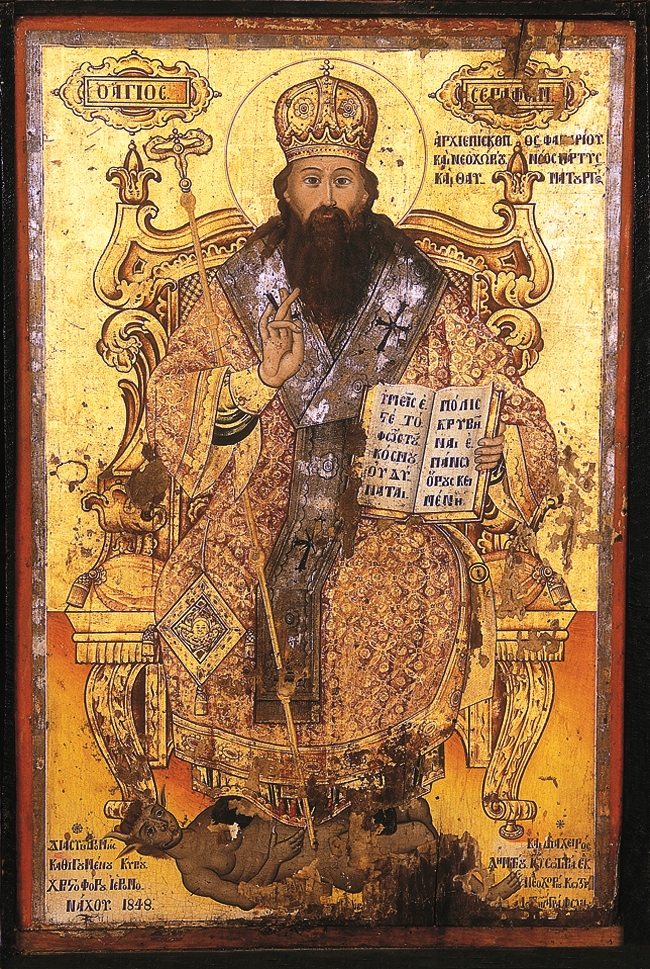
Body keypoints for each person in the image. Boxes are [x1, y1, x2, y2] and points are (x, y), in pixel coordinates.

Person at [146, 66, 556, 819]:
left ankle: (378, 795)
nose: (328, 198)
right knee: (208, 583)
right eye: (312, 180)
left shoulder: (417, 290)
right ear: (286, 192)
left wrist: (496, 450)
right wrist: (257, 383)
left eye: (343, 180)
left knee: (391, 586)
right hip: (263, 500)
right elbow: (174, 403)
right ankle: (254, 799)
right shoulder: (242, 286)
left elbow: (510, 400)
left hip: (384, 512)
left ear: (367, 192)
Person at [111, 795, 438, 909]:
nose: (163, 825)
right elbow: (247, 899)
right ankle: (426, 845)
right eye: (150, 830)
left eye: (158, 814)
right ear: (147, 846)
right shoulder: (194, 876)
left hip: (305, 824)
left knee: (402, 810)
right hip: (304, 857)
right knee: (404, 841)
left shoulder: (205, 817)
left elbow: (254, 807)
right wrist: (275, 858)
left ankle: (424, 840)